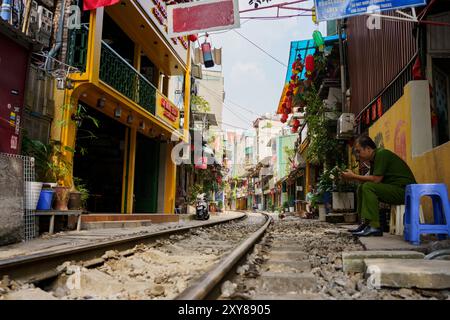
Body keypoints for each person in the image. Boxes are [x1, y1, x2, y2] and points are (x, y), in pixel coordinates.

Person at [341, 135, 416, 237]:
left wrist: (353, 176)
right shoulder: (374, 160)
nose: (358, 156)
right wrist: (350, 177)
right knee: (361, 188)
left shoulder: (382, 154)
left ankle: (374, 226)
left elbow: (376, 180)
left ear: (368, 149)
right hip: (395, 189)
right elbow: (372, 180)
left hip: (405, 191)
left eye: (359, 151)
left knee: (368, 187)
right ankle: (365, 224)